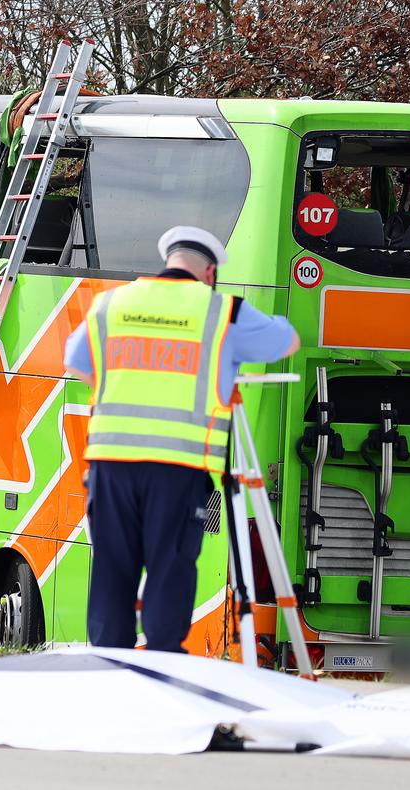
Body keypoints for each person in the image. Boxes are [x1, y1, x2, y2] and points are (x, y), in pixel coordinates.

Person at [63, 226, 300, 652]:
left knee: (112, 567)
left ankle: (107, 662)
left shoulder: (111, 304)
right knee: (170, 565)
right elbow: (288, 340)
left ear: (169, 259)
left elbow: (76, 361)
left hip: (111, 463)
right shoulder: (222, 311)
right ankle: (161, 661)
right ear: (209, 272)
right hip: (178, 467)